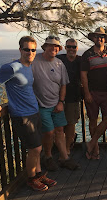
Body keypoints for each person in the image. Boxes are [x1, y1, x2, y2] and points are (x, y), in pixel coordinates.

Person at [0, 36, 57, 191]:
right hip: (21, 115)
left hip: (34, 111)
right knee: (35, 148)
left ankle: (38, 174)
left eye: (33, 50)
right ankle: (31, 179)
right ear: (20, 50)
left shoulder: (28, 67)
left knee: (37, 147)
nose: (30, 52)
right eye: (26, 49)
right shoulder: (12, 67)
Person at [32, 36, 79, 171]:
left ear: (59, 49)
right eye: (50, 45)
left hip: (56, 103)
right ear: (44, 47)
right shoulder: (34, 61)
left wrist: (61, 102)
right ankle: (48, 157)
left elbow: (63, 85)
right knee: (49, 132)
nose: (53, 48)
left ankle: (65, 158)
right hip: (41, 104)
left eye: (56, 46)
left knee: (59, 131)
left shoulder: (59, 64)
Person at [81, 27, 107, 160]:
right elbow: (83, 75)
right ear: (93, 38)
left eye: (102, 36)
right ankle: (95, 149)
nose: (100, 39)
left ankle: (91, 143)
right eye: (97, 36)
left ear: (105, 39)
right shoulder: (87, 54)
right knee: (92, 120)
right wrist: (86, 93)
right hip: (93, 92)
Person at [57, 38, 81, 155]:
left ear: (77, 48)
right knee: (59, 125)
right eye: (69, 47)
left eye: (73, 47)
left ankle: (67, 148)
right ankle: (60, 148)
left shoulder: (80, 60)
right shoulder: (59, 59)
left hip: (74, 96)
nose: (71, 49)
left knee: (71, 123)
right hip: (58, 98)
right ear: (65, 48)